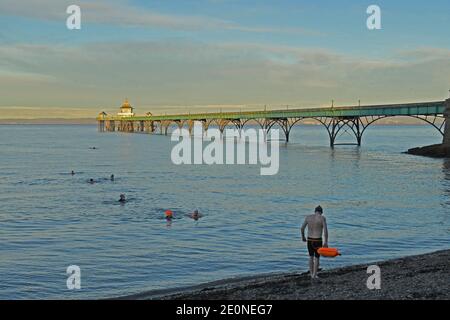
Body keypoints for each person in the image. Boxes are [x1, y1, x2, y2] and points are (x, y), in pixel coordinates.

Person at [301, 205, 328, 279]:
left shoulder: (308, 217)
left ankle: (311, 273)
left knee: (310, 256)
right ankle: (314, 275)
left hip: (309, 240)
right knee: (317, 258)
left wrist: (303, 237)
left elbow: (302, 228)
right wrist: (326, 242)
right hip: (318, 240)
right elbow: (325, 231)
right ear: (321, 212)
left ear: (315, 211)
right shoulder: (322, 218)